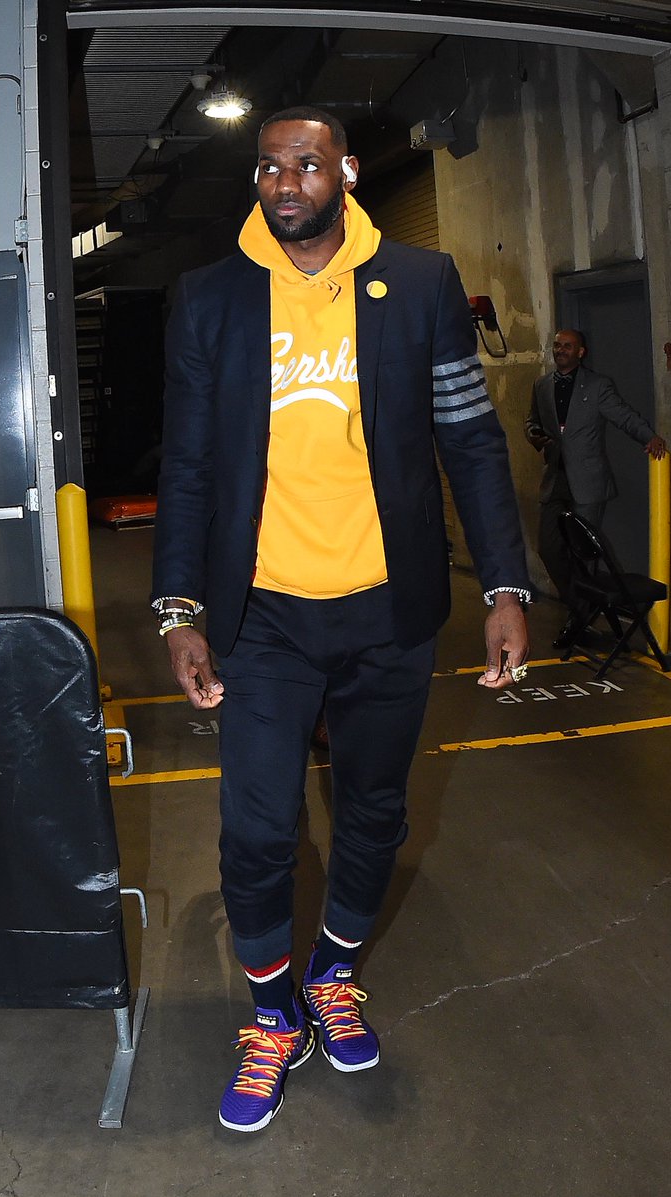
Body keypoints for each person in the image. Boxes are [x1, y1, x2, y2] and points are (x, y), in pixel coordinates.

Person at [151, 107, 531, 1134]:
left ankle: (332, 977)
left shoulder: (420, 283)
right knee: (255, 830)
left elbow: (469, 437)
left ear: (347, 172)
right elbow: (187, 463)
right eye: (268, 166)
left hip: (388, 611)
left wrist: (503, 585)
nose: (285, 182)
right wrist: (179, 607)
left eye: (306, 163)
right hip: (263, 616)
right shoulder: (211, 297)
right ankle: (273, 1015)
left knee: (373, 813)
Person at [525, 329, 667, 648]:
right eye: (557, 345)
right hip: (555, 479)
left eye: (568, 346)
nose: (560, 350)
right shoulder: (542, 385)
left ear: (581, 352)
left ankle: (578, 618)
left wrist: (649, 437)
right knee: (548, 547)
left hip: (587, 482)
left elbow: (623, 416)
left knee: (583, 554)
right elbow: (531, 420)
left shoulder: (598, 386)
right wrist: (533, 434)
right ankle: (582, 608)